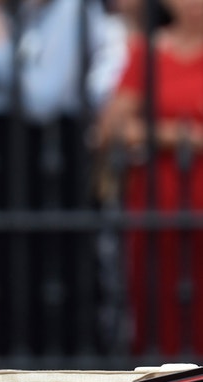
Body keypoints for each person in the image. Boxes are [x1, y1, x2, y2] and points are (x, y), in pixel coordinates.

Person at [95, 0, 203, 356]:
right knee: (157, 303)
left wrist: (154, 132)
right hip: (157, 200)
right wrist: (183, 136)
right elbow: (111, 128)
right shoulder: (147, 52)